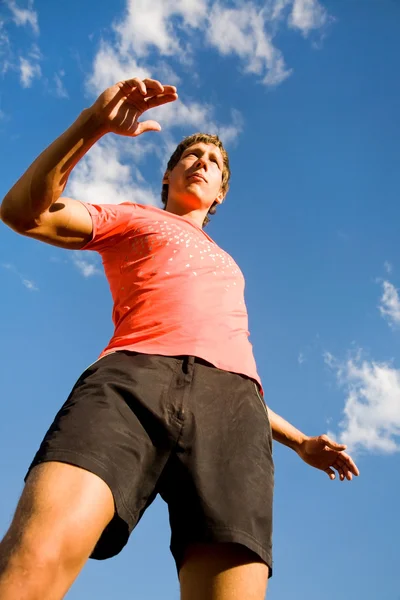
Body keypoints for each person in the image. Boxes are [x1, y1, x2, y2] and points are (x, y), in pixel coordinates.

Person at [0, 77, 359, 600]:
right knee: (31, 564)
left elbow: (231, 364)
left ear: (221, 193)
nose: (201, 162)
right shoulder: (131, 216)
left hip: (233, 407)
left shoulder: (231, 266)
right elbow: (20, 213)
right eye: (190, 154)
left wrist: (300, 440)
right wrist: (91, 125)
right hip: (130, 382)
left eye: (213, 161)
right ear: (167, 176)